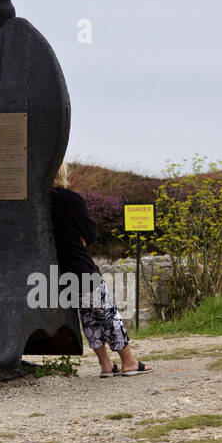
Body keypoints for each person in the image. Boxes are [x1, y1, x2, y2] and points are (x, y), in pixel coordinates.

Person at [51, 161, 151, 378]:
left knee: (88, 318)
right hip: (82, 269)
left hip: (59, 275)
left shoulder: (39, 203)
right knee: (108, 314)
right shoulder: (70, 199)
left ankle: (106, 366)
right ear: (62, 173)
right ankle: (129, 362)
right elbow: (91, 233)